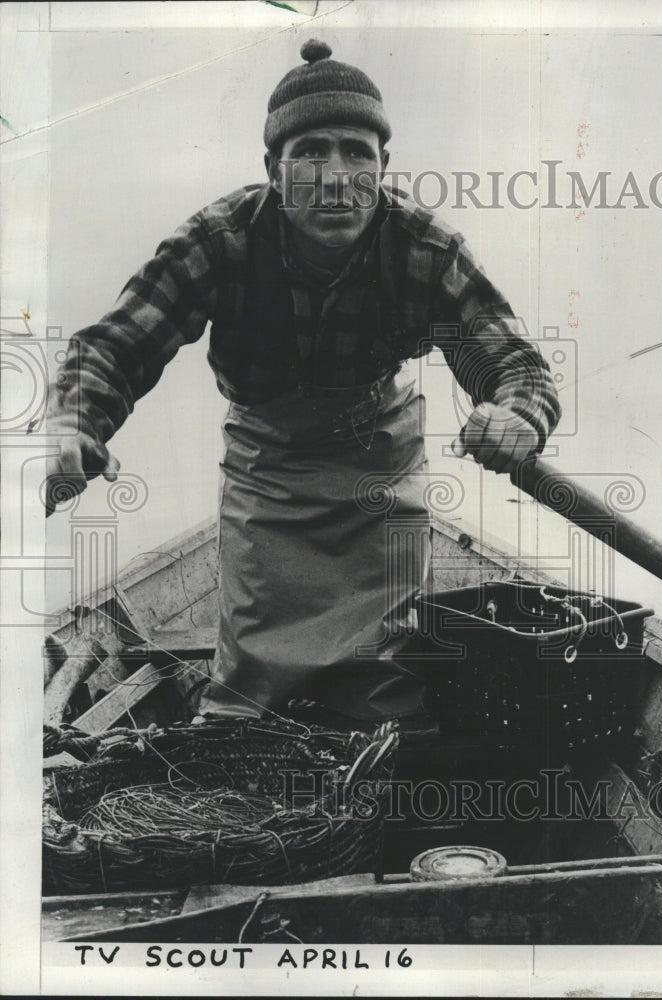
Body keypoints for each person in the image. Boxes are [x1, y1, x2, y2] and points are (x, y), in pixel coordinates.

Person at [44, 39, 561, 723]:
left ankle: (375, 772)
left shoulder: (423, 247)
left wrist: (518, 418)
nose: (337, 175)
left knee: (386, 683)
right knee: (250, 689)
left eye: (357, 152)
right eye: (311, 152)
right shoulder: (219, 240)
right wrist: (72, 424)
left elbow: (513, 361)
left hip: (380, 462)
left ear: (384, 167)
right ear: (274, 168)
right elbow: (115, 347)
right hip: (269, 471)